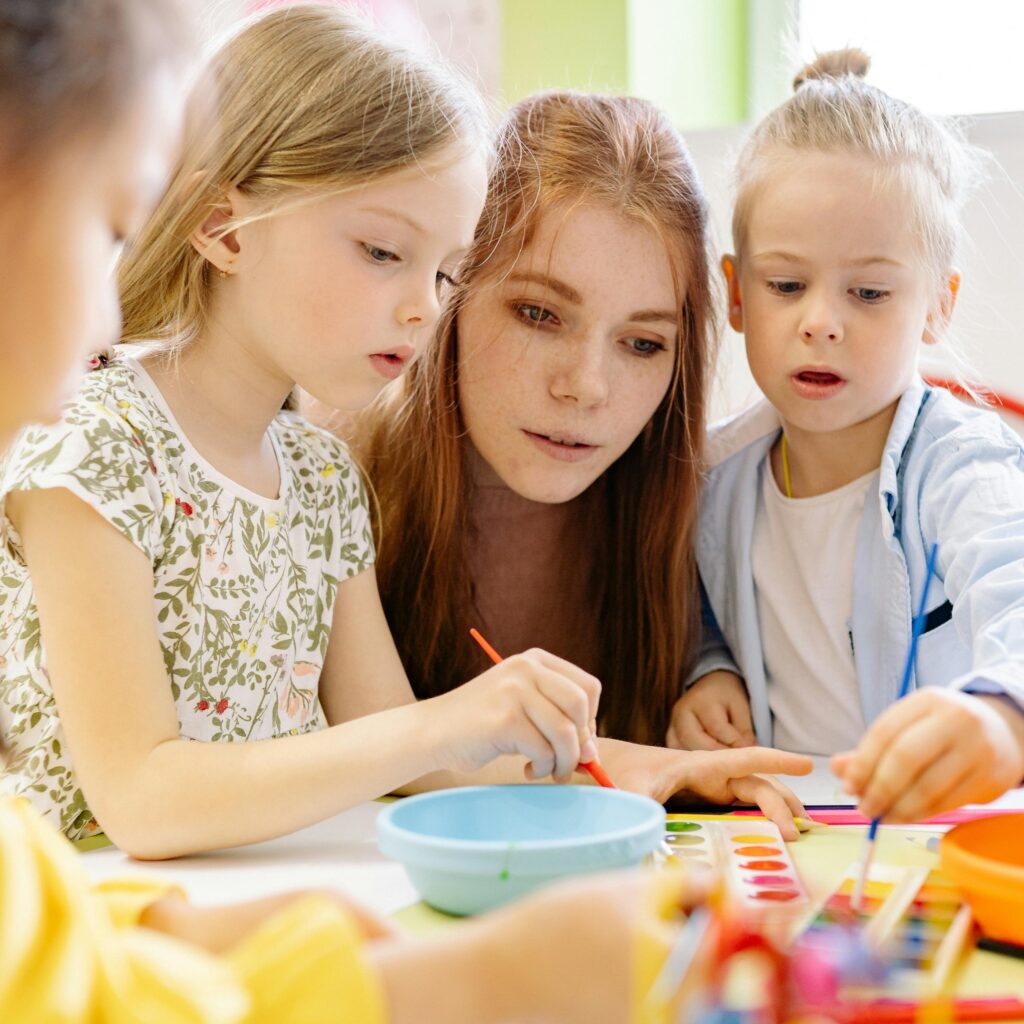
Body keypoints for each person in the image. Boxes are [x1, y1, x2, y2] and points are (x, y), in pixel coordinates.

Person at [0, 5, 707, 1022]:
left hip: (250, 911)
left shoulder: (322, 476)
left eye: (445, 270)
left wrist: (668, 772)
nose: (426, 306)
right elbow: (141, 797)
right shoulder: (92, 443)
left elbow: (401, 743)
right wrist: (443, 725)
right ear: (222, 226)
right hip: (101, 939)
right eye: (384, 251)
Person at [340, 90, 813, 836]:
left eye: (643, 343)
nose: (586, 387)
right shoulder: (331, 479)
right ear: (451, 290)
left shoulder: (704, 508)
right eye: (538, 314)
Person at [667, 49, 1024, 822]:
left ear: (936, 304)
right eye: (786, 285)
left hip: (937, 838)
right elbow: (700, 611)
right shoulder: (714, 481)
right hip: (787, 831)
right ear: (734, 294)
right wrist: (710, 670)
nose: (821, 322)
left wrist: (1004, 714)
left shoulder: (964, 469)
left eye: (868, 292)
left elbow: (1016, 590)